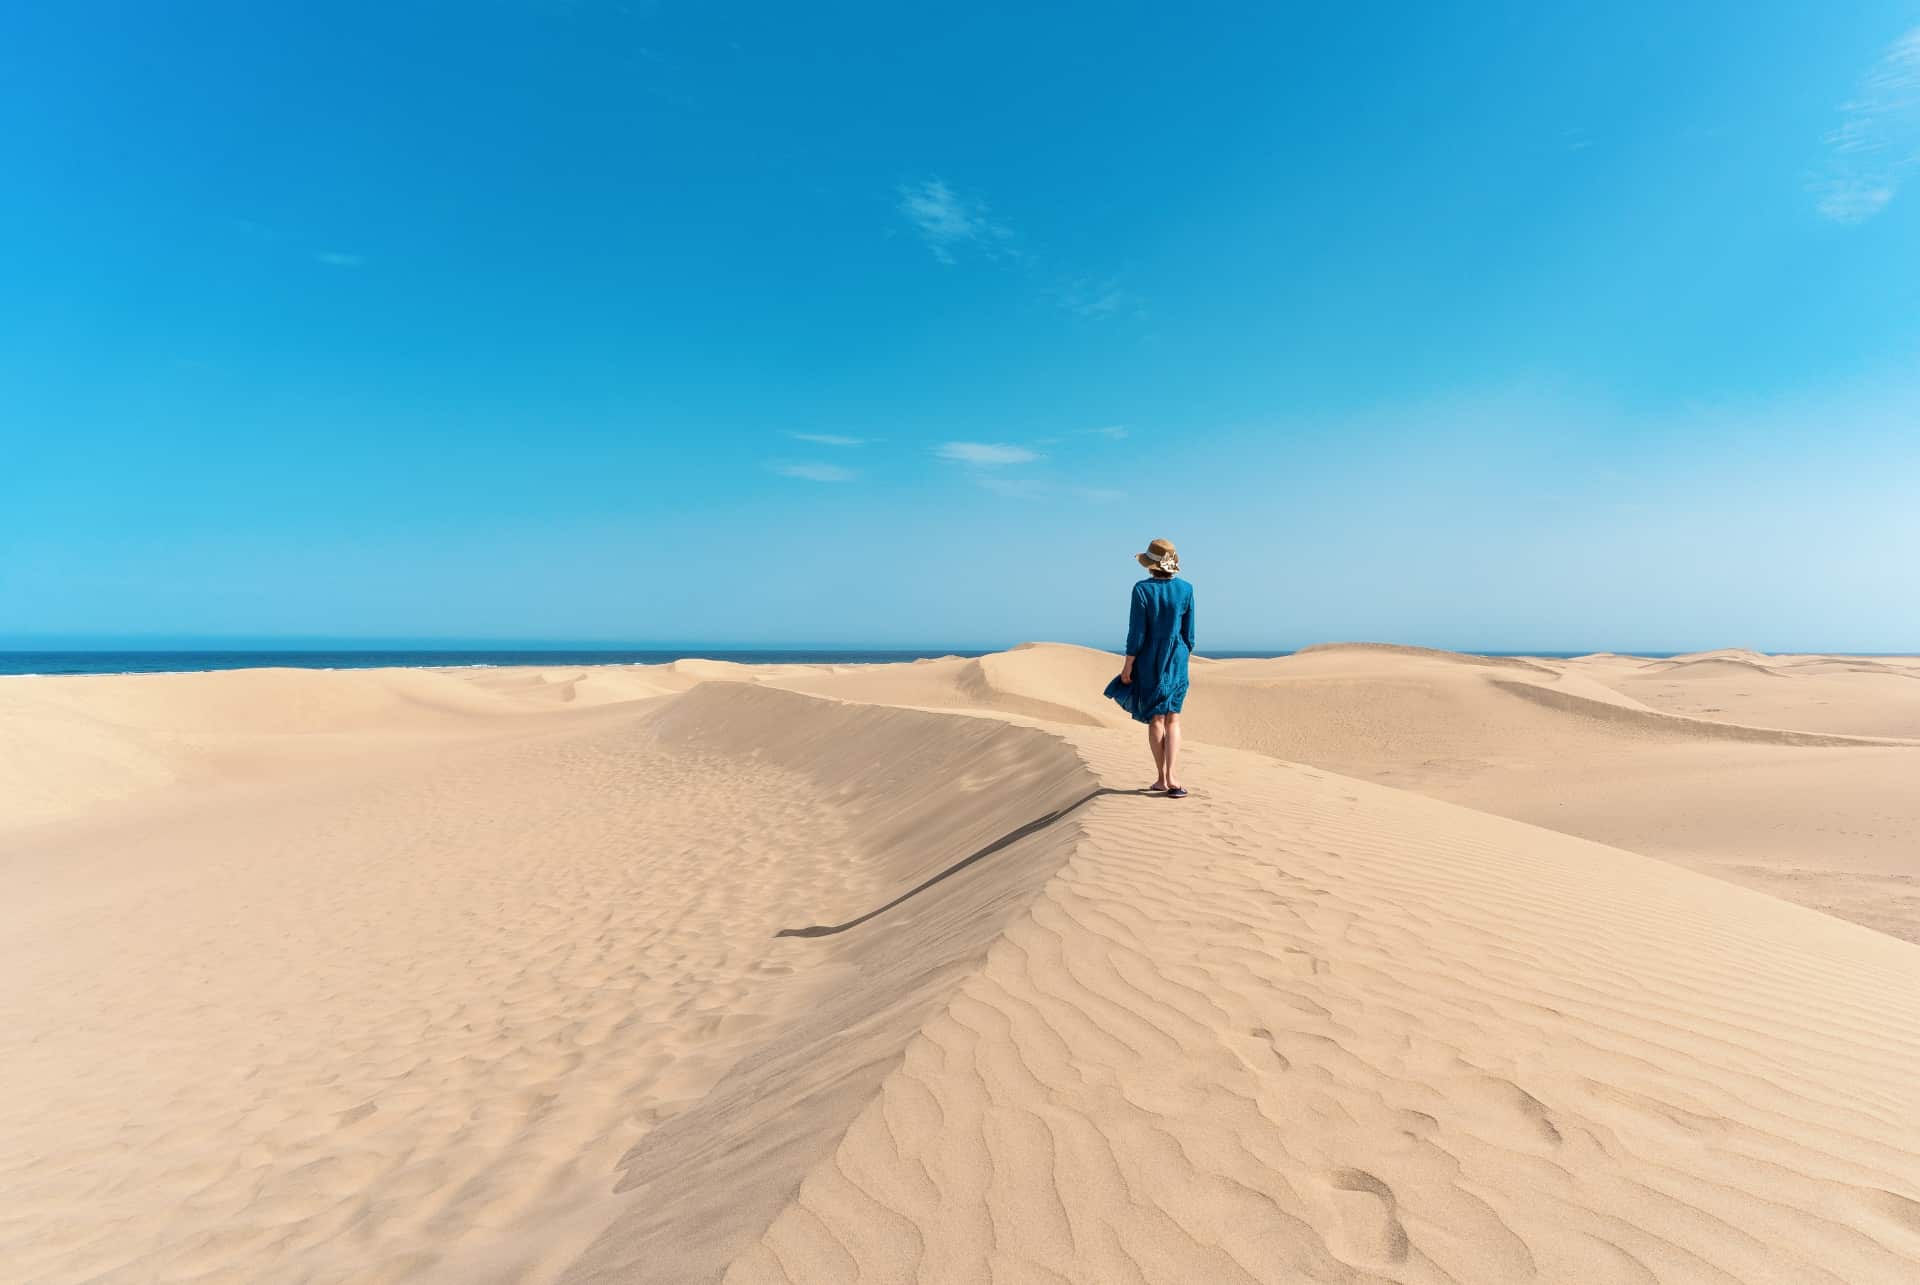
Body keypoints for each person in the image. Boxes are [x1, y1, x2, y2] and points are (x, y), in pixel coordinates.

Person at [1103, 538, 1195, 797]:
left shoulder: (1142, 590)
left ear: (1151, 565)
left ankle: (1161, 778)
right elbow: (1191, 635)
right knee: (1173, 717)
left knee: (1156, 718)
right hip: (1177, 657)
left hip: (1149, 657)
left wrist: (1128, 664)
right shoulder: (1186, 589)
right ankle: (1173, 776)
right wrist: (1180, 652)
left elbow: (1137, 632)